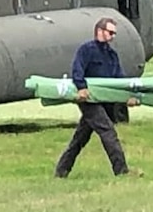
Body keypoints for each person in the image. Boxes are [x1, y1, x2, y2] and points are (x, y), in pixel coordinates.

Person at [54, 17, 142, 179]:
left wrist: (128, 97)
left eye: (114, 33)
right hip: (88, 101)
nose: (113, 36)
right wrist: (81, 88)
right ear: (99, 31)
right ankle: (121, 171)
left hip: (104, 102)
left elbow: (119, 79)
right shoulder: (86, 50)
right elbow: (77, 69)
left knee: (80, 138)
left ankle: (61, 171)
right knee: (108, 132)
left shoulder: (112, 55)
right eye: (110, 32)